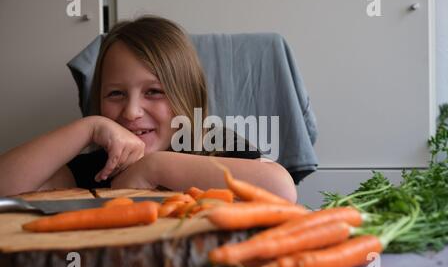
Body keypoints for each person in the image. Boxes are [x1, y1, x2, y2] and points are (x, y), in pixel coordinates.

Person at [0, 16, 297, 202]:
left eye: (154, 92)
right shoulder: (97, 171)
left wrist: (153, 168)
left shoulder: (214, 145)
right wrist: (87, 127)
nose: (131, 112)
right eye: (115, 94)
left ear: (188, 97)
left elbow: (282, 189)